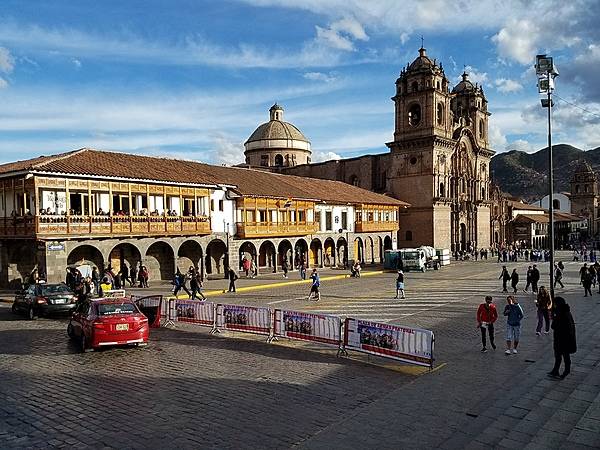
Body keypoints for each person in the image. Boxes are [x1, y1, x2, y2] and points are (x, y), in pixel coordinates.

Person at [548, 296, 577, 380]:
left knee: (565, 356)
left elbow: (554, 326)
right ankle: (555, 370)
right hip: (560, 338)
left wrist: (554, 318)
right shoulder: (563, 312)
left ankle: (566, 371)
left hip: (564, 339)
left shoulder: (562, 314)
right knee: (558, 355)